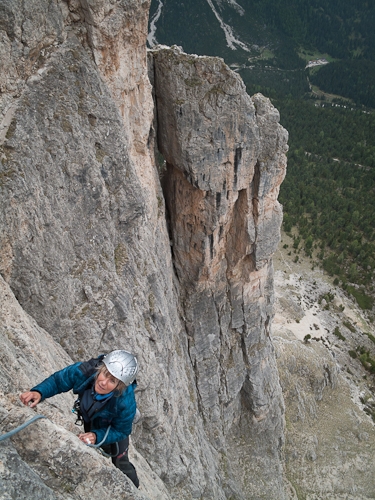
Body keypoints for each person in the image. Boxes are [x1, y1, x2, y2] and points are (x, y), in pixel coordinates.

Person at [20, 350, 140, 488]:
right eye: (105, 374)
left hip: (112, 429)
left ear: (119, 387)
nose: (103, 382)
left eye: (112, 381)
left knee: (121, 462)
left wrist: (97, 435)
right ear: (101, 368)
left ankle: (135, 490)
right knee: (89, 445)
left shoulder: (125, 402)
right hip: (91, 419)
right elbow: (59, 381)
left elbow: (122, 430)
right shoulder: (85, 372)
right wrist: (39, 392)